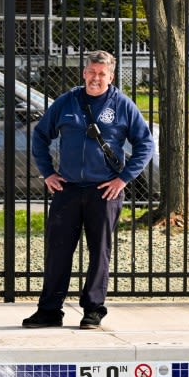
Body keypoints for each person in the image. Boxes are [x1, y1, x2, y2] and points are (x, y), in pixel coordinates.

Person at [23, 50, 154, 330]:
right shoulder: (67, 102)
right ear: (84, 73)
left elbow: (145, 144)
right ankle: (49, 310)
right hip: (67, 189)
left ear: (111, 76)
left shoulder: (122, 105)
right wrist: (47, 173)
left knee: (100, 252)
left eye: (102, 74)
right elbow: (40, 134)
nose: (96, 78)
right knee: (57, 252)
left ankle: (93, 310)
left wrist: (123, 179)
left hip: (104, 191)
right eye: (92, 72)